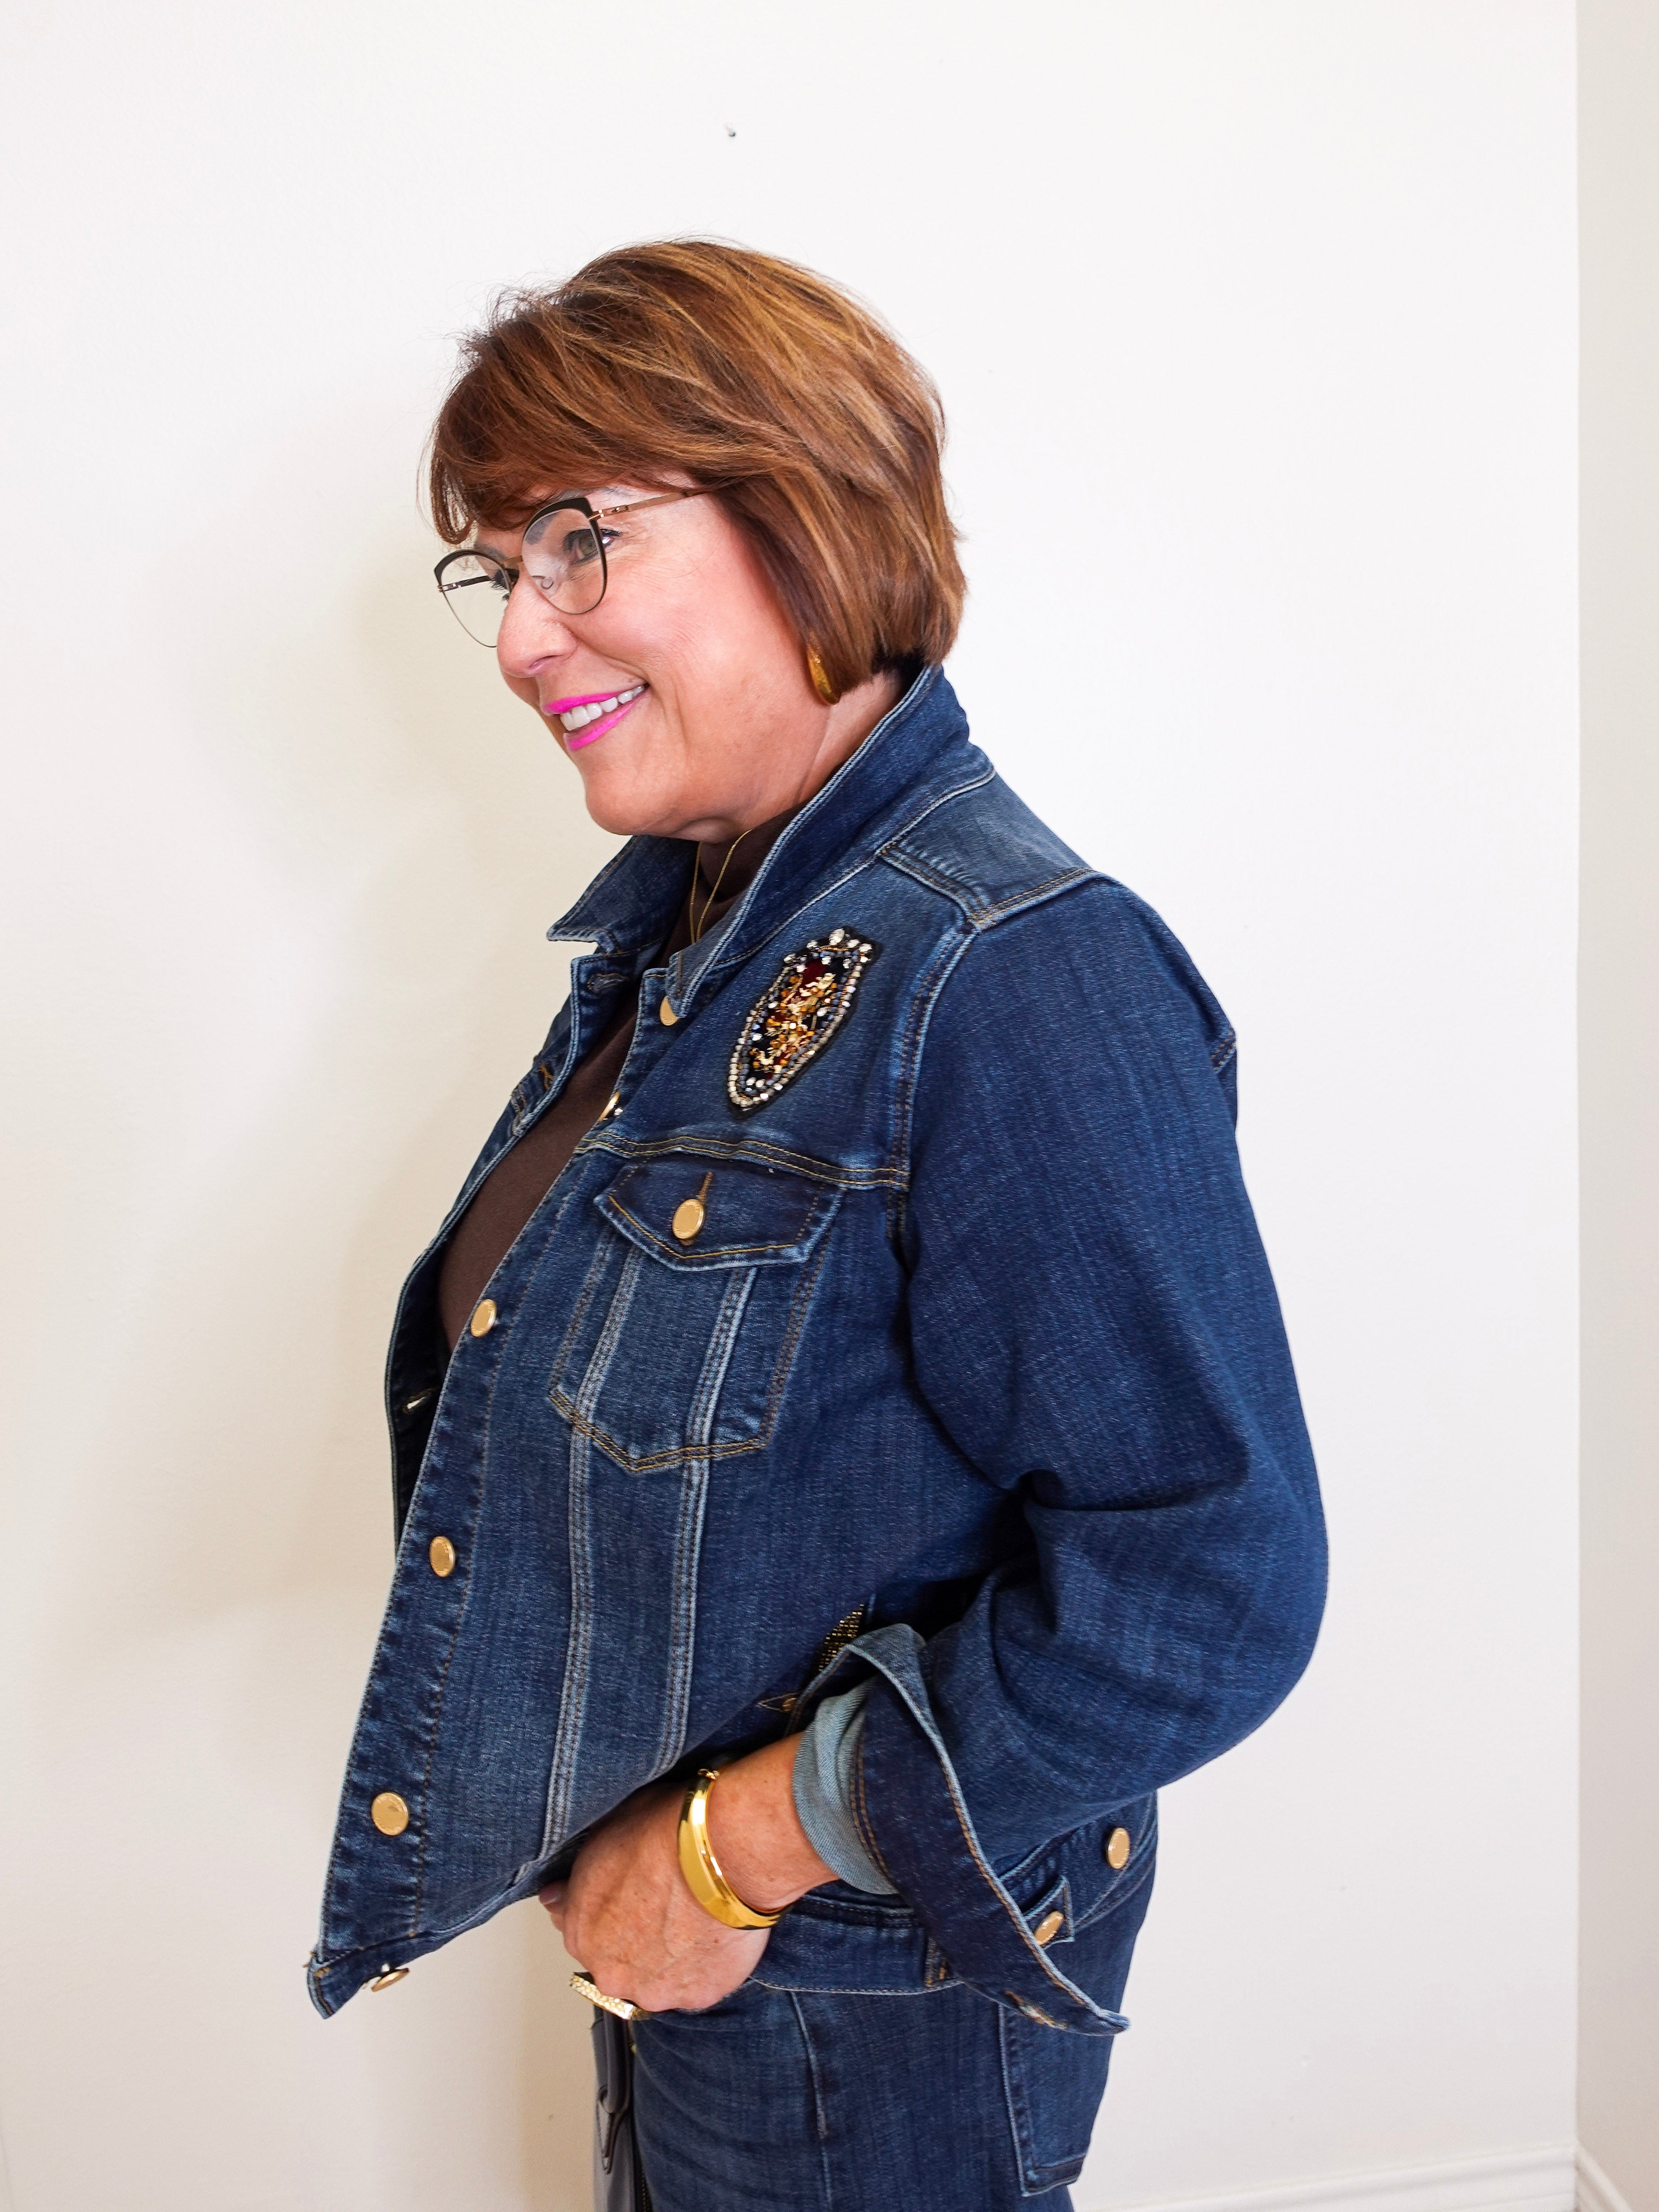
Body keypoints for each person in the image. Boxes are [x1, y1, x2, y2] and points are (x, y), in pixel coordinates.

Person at [308, 241, 1327, 2212]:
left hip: (869, 2008)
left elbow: (1214, 1579)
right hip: (724, 1987)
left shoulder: (1013, 974)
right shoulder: (701, 936)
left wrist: (726, 1854)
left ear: (801, 509)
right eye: (501, 568)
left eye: (581, 541)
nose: (525, 636)